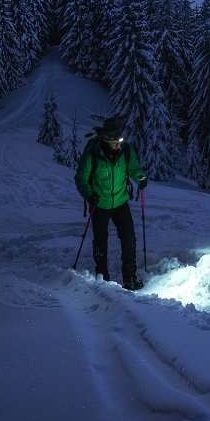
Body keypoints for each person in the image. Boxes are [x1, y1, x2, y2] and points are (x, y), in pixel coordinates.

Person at [74, 115, 148, 290]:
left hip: (121, 202)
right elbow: (81, 177)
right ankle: (102, 278)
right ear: (106, 140)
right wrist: (89, 195)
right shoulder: (93, 152)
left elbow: (134, 168)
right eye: (115, 141)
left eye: (120, 140)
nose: (119, 144)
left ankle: (129, 279)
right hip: (99, 204)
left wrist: (140, 177)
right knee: (100, 241)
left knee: (129, 239)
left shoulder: (125, 150)